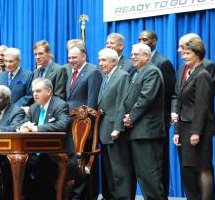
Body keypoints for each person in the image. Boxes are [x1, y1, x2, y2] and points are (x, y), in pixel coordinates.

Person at [171, 36, 215, 200]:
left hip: (198, 128)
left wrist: (196, 131)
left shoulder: (203, 73)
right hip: (183, 127)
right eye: (183, 52)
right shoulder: (185, 70)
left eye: (187, 53)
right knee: (187, 170)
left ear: (197, 53)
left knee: (202, 168)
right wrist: (177, 130)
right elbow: (180, 101)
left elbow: (202, 105)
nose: (182, 55)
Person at [19, 78, 77, 200]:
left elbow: (62, 125)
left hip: (59, 154)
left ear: (49, 91)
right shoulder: (34, 107)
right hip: (37, 153)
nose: (35, 94)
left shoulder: (60, 105)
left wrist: (35, 129)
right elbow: (24, 123)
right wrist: (23, 128)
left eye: (38, 91)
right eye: (34, 91)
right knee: (13, 165)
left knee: (42, 168)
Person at [123, 43, 165, 199]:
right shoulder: (138, 72)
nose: (132, 56)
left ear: (147, 56)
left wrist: (131, 117)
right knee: (144, 176)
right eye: (132, 54)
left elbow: (145, 98)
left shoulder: (151, 71)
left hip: (147, 133)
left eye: (136, 54)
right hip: (139, 132)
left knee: (150, 176)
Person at [138, 30, 176, 198]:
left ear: (154, 41)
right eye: (139, 39)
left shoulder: (162, 62)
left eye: (145, 39)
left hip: (158, 121)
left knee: (160, 162)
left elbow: (168, 94)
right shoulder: (140, 62)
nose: (141, 41)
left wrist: (167, 118)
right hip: (144, 122)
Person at [65, 43, 102, 199]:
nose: (71, 60)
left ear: (83, 56)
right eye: (69, 58)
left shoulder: (93, 71)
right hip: (69, 125)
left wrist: (89, 129)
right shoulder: (68, 72)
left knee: (84, 161)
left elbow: (91, 103)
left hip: (84, 127)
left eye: (74, 57)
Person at [97, 48, 134, 199]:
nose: (100, 63)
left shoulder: (122, 75)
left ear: (114, 61)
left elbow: (122, 104)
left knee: (120, 171)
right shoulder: (105, 77)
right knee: (109, 171)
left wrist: (118, 128)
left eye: (104, 60)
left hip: (114, 130)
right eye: (99, 60)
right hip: (104, 130)